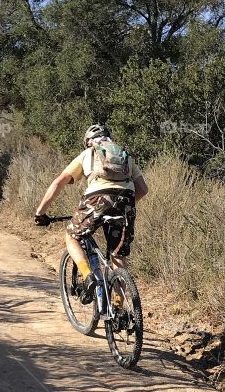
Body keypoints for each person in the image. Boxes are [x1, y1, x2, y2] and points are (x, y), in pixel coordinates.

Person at [34, 124, 147, 300]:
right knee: (118, 256)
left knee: (72, 236)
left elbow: (59, 182)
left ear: (88, 142)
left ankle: (88, 276)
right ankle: (118, 308)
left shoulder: (88, 153)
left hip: (97, 199)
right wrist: (121, 205)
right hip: (126, 201)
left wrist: (40, 213)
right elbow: (143, 189)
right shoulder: (124, 155)